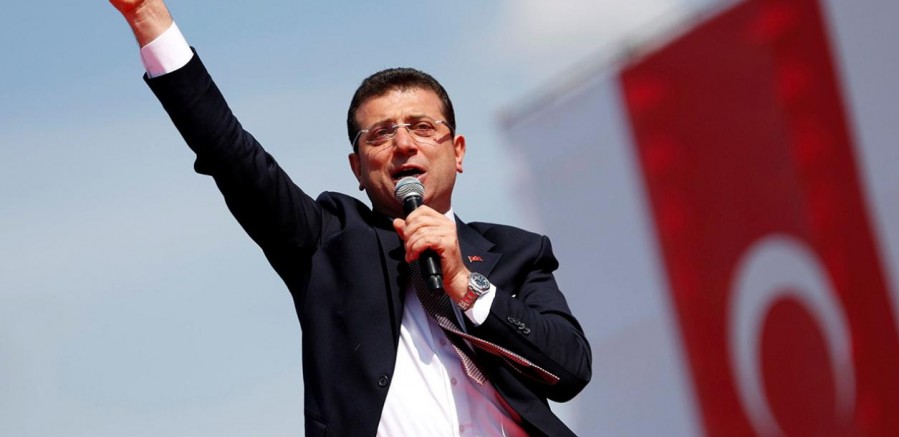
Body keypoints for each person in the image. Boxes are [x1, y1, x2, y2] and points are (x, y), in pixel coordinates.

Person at [109, 1, 592, 435]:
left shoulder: (518, 252)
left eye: (423, 127)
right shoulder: (326, 242)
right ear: (357, 168)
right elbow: (231, 154)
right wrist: (147, 15)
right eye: (380, 134)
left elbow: (569, 371)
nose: (404, 144)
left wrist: (466, 285)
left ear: (458, 151)